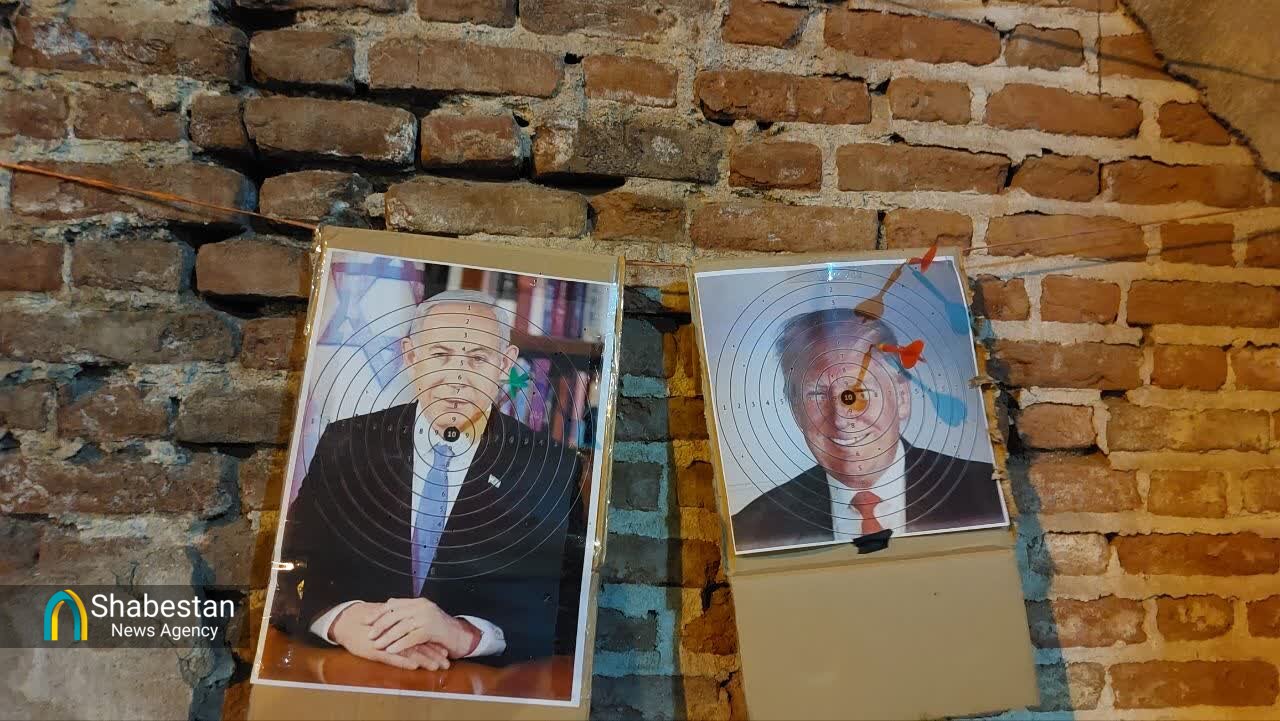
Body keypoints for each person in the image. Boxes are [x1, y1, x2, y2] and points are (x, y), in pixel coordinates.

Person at [271, 289, 586, 670]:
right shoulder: (347, 444)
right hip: (350, 674)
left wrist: (466, 635)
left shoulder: (552, 469)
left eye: (477, 358)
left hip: (477, 686)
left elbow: (569, 613)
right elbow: (285, 571)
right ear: (411, 357)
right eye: (440, 355)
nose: (457, 378)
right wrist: (337, 621)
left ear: (505, 365)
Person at [731, 307, 1003, 552]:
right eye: (816, 394)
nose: (841, 418)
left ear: (902, 397)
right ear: (794, 410)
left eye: (858, 390)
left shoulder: (989, 495)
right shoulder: (751, 529)